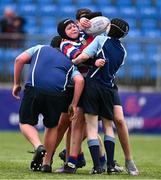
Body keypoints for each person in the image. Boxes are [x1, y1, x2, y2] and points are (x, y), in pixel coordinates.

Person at [72, 18, 139, 176]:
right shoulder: (123, 51)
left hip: (93, 86)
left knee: (92, 127)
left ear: (110, 28)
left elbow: (84, 57)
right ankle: (110, 165)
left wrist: (74, 61)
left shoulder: (100, 39)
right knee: (109, 127)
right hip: (109, 89)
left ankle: (97, 167)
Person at [56, 16, 122, 174]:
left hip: (92, 86)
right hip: (80, 87)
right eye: (69, 28)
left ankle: (86, 162)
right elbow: (78, 57)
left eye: (74, 26)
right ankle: (78, 161)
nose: (73, 29)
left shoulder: (83, 37)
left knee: (86, 126)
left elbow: (94, 37)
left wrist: (85, 24)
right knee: (79, 124)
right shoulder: (65, 44)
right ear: (63, 34)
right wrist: (95, 61)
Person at [12, 37, 84, 172]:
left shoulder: (40, 48)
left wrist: (16, 83)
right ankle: (46, 165)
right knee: (52, 127)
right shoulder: (70, 62)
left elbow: (19, 60)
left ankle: (38, 146)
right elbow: (79, 80)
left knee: (25, 123)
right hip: (57, 95)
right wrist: (74, 104)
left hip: (34, 89)